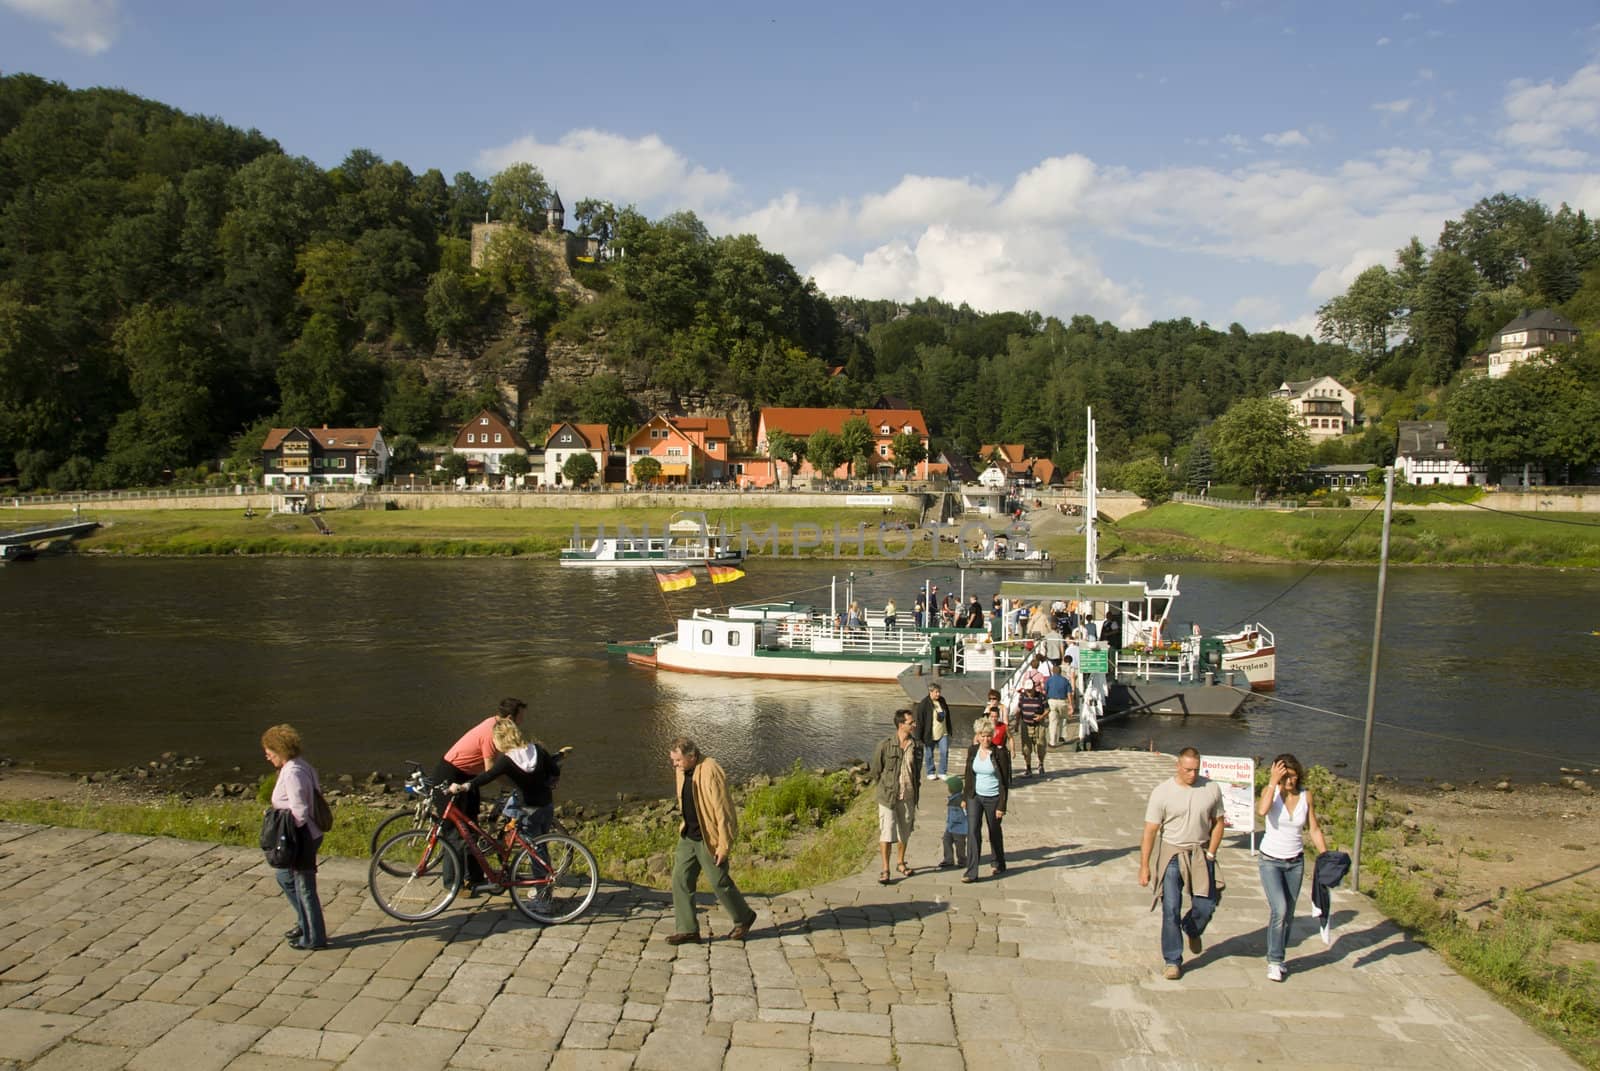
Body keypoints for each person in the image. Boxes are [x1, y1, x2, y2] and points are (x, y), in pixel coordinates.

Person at [1138, 747, 1225, 980]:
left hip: (1200, 853)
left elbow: (1219, 822)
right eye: (1187, 770)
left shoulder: (1211, 789)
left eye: (1196, 770)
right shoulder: (1162, 792)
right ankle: (1172, 960)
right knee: (1170, 909)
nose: (1192, 774)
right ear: (1178, 765)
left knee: (1206, 905)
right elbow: (1150, 830)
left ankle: (1192, 928)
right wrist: (1144, 866)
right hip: (1172, 854)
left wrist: (1211, 853)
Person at [665, 737, 756, 945]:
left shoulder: (711, 770)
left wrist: (724, 845)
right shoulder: (680, 770)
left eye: (678, 760)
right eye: (673, 760)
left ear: (692, 756)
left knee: (719, 881)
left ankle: (744, 917)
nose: (675, 765)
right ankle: (688, 930)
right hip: (688, 835)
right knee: (680, 879)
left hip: (709, 837)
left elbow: (724, 811)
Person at [436, 698, 526, 886]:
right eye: (521, 717)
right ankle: (453, 883)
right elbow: (491, 770)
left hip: (468, 776)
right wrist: (515, 784)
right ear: (509, 718)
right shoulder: (489, 734)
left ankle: (476, 877)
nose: (522, 722)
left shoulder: (496, 726)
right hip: (452, 775)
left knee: (472, 828)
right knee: (456, 832)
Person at [1257, 754, 1328, 982]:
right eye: (1286, 777)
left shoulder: (1306, 796)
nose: (1290, 781)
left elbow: (1314, 829)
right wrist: (1272, 782)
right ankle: (1274, 961)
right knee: (1280, 908)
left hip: (1295, 862)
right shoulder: (1272, 793)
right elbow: (1262, 811)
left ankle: (1280, 956)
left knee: (1289, 913)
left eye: (1293, 776)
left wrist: (1325, 856)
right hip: (1270, 860)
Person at [446, 719, 563, 847]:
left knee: (536, 852)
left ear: (500, 739)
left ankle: (502, 842)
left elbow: (488, 775)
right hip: (547, 805)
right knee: (541, 845)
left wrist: (465, 786)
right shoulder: (538, 749)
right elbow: (555, 771)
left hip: (528, 808)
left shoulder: (507, 761)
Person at [262, 724, 327, 951]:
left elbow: (299, 809)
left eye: (270, 753)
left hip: (301, 835)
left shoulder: (292, 773)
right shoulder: (301, 766)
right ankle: (304, 922)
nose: (267, 757)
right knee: (284, 876)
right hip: (309, 832)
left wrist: (288, 832)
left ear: (280, 750)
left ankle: (314, 937)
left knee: (304, 887)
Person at [869, 709, 924, 884]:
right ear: (901, 725)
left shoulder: (917, 746)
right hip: (888, 796)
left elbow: (917, 771)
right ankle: (885, 869)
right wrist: (886, 787)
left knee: (904, 832)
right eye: (911, 722)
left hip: (908, 795)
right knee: (886, 833)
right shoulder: (885, 745)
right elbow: (876, 770)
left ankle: (900, 862)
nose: (914, 725)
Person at [961, 716, 1010, 883]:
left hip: (993, 797)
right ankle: (971, 871)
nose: (986, 739)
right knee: (973, 831)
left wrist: (1001, 806)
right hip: (975, 796)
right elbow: (968, 775)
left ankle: (998, 862)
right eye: (982, 735)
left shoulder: (1000, 753)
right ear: (977, 735)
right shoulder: (972, 751)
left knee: (994, 831)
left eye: (988, 735)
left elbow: (1005, 782)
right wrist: (965, 797)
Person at [914, 682, 952, 779]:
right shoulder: (924, 704)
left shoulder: (942, 701)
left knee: (944, 751)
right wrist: (918, 737)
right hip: (930, 733)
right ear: (930, 692)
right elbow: (920, 721)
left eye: (939, 692)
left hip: (943, 732)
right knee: (929, 753)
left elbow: (947, 717)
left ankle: (942, 772)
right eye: (936, 692)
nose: (938, 694)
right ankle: (930, 771)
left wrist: (950, 729)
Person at [1015, 681, 1049, 776]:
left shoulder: (1041, 696)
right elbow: (1018, 710)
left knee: (1041, 744)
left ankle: (1041, 763)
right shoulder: (1022, 696)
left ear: (1034, 688)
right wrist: (1017, 724)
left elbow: (1047, 710)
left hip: (1039, 724)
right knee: (1026, 748)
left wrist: (1041, 717)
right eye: (1027, 690)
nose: (1029, 692)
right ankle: (1028, 767)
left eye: (1030, 690)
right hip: (1026, 724)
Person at [939, 774, 968, 870]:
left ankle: (962, 860)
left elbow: (966, 811)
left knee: (960, 845)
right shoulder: (952, 798)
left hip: (960, 828)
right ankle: (948, 859)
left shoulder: (961, 799)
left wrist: (965, 805)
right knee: (946, 840)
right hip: (950, 826)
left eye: (949, 787)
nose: (948, 788)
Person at [1044, 661, 1073, 748]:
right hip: (1062, 702)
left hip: (1052, 701)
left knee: (1053, 722)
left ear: (1053, 672)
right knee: (1063, 719)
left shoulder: (1049, 680)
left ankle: (1052, 742)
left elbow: (1045, 691)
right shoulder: (1065, 680)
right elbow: (1069, 693)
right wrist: (1071, 704)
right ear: (1060, 672)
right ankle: (1062, 736)